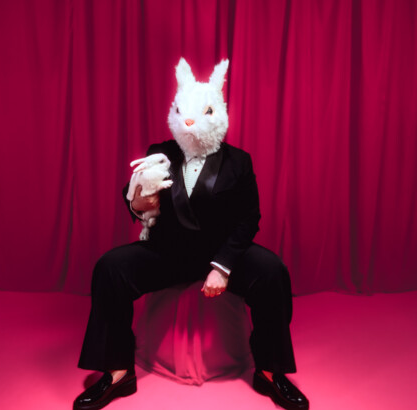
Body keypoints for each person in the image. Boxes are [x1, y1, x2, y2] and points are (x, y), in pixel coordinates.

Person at [73, 58, 309, 410]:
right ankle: (117, 371)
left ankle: (270, 371)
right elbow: (133, 194)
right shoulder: (160, 153)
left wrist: (223, 267)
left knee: (273, 272)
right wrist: (138, 201)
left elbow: (250, 218)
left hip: (223, 254)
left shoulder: (239, 162)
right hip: (169, 253)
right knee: (110, 268)